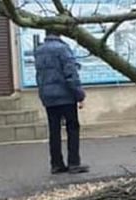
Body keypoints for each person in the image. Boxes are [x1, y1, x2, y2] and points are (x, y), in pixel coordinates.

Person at [34, 31, 89, 174]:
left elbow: (39, 75)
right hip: (65, 96)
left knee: (54, 130)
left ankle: (56, 164)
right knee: (72, 128)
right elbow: (70, 74)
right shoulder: (63, 49)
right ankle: (74, 163)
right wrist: (79, 95)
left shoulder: (39, 51)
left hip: (48, 97)